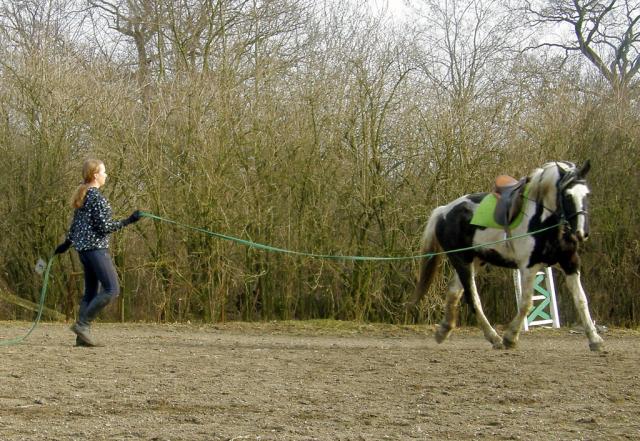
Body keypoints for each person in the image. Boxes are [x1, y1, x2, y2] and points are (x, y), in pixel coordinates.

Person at [54, 159, 143, 347]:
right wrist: (129, 220)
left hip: (83, 251)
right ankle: (82, 325)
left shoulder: (83, 194)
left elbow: (76, 225)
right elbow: (103, 227)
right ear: (95, 175)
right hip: (96, 250)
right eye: (104, 172)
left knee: (90, 293)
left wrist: (66, 243)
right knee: (112, 289)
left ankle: (82, 338)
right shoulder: (96, 197)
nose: (106, 175)